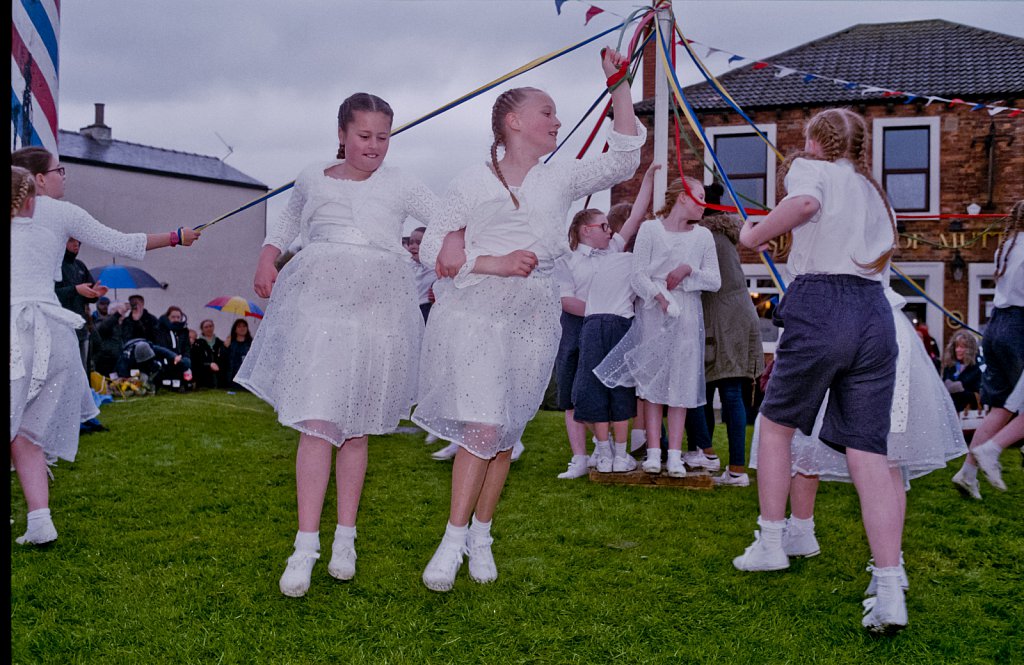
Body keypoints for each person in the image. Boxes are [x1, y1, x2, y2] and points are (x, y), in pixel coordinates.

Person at [414, 48, 645, 592]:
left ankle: (483, 534)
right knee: (482, 425)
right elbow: (430, 249)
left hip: (534, 312)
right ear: (513, 121)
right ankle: (451, 540)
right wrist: (490, 262)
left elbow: (625, 159)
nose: (558, 121)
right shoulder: (470, 181)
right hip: (475, 311)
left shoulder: (559, 175)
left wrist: (619, 86)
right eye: (548, 112)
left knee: (504, 431)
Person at [234, 92, 439, 598]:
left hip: (377, 312)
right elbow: (285, 222)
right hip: (320, 306)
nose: (374, 146)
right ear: (343, 133)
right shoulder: (311, 175)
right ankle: (305, 545)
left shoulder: (403, 184)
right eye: (364, 136)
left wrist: (452, 249)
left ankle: (345, 537)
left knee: (356, 424)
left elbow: (445, 218)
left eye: (383, 137)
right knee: (317, 418)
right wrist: (267, 257)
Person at [733, 108, 908, 634]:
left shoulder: (811, 170)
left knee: (776, 425)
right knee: (869, 452)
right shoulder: (872, 190)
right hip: (875, 315)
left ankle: (770, 542)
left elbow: (806, 204)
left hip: (823, 305)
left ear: (813, 140)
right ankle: (889, 584)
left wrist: (753, 234)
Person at [10, 148, 200, 547]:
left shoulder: (43, 213)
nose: (64, 176)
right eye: (58, 170)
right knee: (27, 435)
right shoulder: (63, 214)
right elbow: (123, 241)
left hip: (20, 332)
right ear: (38, 180)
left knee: (21, 433)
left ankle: (40, 521)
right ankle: (40, 522)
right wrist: (176, 237)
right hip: (56, 337)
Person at [748, 288, 967, 590]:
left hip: (829, 321)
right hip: (885, 324)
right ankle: (884, 562)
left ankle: (806, 534)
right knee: (883, 449)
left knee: (801, 429)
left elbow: (753, 238)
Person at [594, 176, 721, 478]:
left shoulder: (703, 237)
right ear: (682, 198)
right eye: (699, 196)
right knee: (651, 384)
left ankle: (675, 455)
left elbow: (714, 281)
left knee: (681, 382)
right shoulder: (650, 230)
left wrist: (688, 271)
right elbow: (638, 276)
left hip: (687, 314)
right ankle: (653, 452)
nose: (704, 204)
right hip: (654, 313)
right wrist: (660, 297)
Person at [557, 164, 657, 479]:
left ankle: (611, 449)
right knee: (574, 393)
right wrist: (600, 312)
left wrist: (649, 179)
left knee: (611, 386)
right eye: (603, 226)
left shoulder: (614, 249)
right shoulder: (567, 261)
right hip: (577, 328)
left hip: (605, 327)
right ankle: (579, 457)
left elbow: (636, 216)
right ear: (586, 229)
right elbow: (565, 300)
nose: (610, 231)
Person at [683, 208, 765, 486]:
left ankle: (706, 454)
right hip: (740, 315)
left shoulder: (703, 236)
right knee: (729, 391)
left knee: (698, 389)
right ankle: (735, 468)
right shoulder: (727, 237)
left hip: (720, 317)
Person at [952, 200, 1024, 498]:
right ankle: (991, 450)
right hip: (1020, 325)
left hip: (995, 327)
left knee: (1001, 407)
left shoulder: (1006, 247)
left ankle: (967, 473)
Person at [940, 330, 982, 413]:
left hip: (967, 413)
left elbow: (979, 395)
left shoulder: (976, 368)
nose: (958, 350)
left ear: (970, 349)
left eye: (962, 347)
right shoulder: (949, 367)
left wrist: (960, 391)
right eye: (956, 347)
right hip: (949, 413)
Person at [154, 306, 194, 384]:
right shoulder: (160, 330)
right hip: (166, 356)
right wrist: (173, 356)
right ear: (167, 317)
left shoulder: (184, 331)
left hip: (180, 358)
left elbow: (186, 348)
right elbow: (161, 346)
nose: (176, 319)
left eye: (178, 317)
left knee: (187, 362)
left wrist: (183, 356)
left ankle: (183, 383)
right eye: (173, 317)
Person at [192, 319, 229, 389]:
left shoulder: (220, 343)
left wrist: (225, 348)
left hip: (218, 379)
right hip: (203, 378)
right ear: (202, 329)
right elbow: (196, 362)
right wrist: (208, 365)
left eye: (210, 326)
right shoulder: (197, 343)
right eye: (206, 327)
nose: (209, 328)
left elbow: (224, 360)